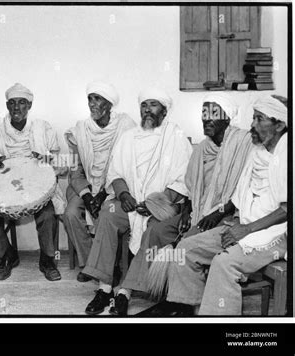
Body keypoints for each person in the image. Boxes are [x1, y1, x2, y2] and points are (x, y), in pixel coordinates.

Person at [139, 94, 288, 316]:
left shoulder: (287, 154)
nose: (252, 125)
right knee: (187, 248)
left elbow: (287, 209)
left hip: (275, 233)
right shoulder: (258, 151)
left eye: (259, 119)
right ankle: (188, 309)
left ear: (280, 125)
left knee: (223, 263)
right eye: (253, 118)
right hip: (244, 224)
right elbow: (238, 197)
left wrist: (245, 230)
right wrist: (233, 222)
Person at [111, 93, 253, 315]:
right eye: (204, 113)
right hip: (198, 211)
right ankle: (138, 289)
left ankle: (179, 303)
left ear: (228, 118)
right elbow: (190, 189)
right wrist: (187, 211)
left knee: (187, 242)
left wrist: (217, 213)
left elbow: (242, 192)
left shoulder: (243, 145)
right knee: (157, 230)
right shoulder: (201, 149)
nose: (206, 119)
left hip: (228, 215)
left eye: (213, 113)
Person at [82, 88, 193, 315]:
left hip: (161, 206)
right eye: (144, 105)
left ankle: (125, 292)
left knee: (154, 229)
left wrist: (154, 203)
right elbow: (115, 173)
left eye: (153, 105)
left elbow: (185, 179)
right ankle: (104, 288)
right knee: (108, 212)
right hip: (130, 203)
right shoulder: (129, 136)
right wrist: (123, 195)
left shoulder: (176, 136)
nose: (148, 110)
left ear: (164, 110)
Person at [0, 83, 64, 282]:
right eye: (12, 103)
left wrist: (46, 159)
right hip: (6, 193)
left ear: (29, 105)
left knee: (47, 214)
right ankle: (8, 256)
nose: (16, 108)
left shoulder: (42, 129)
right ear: (7, 105)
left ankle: (47, 260)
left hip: (36, 191)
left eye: (21, 103)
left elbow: (62, 164)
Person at [63, 82, 135, 282]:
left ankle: (112, 266)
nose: (92, 104)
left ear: (110, 104)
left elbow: (129, 168)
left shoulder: (125, 127)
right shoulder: (80, 130)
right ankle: (89, 264)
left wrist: (104, 192)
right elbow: (75, 171)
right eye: (90, 99)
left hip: (115, 188)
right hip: (86, 187)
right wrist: (87, 196)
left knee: (107, 212)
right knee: (70, 214)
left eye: (98, 99)